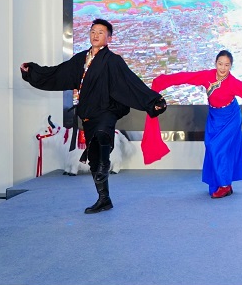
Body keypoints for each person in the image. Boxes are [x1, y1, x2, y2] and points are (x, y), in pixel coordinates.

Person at [21, 18, 168, 214]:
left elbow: (131, 83)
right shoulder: (80, 59)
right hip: (88, 114)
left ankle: (104, 166)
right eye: (93, 31)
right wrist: (32, 71)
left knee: (102, 136)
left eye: (101, 32)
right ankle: (104, 198)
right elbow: (57, 73)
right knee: (94, 157)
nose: (96, 35)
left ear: (109, 38)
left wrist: (153, 100)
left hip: (107, 111)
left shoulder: (113, 61)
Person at [141, 50, 242, 197]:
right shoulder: (207, 76)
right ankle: (224, 181)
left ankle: (225, 185)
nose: (223, 68)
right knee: (211, 146)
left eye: (227, 65)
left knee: (217, 148)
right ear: (215, 63)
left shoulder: (234, 83)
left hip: (231, 118)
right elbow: (186, 77)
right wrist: (162, 81)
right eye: (220, 64)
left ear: (230, 66)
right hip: (214, 117)